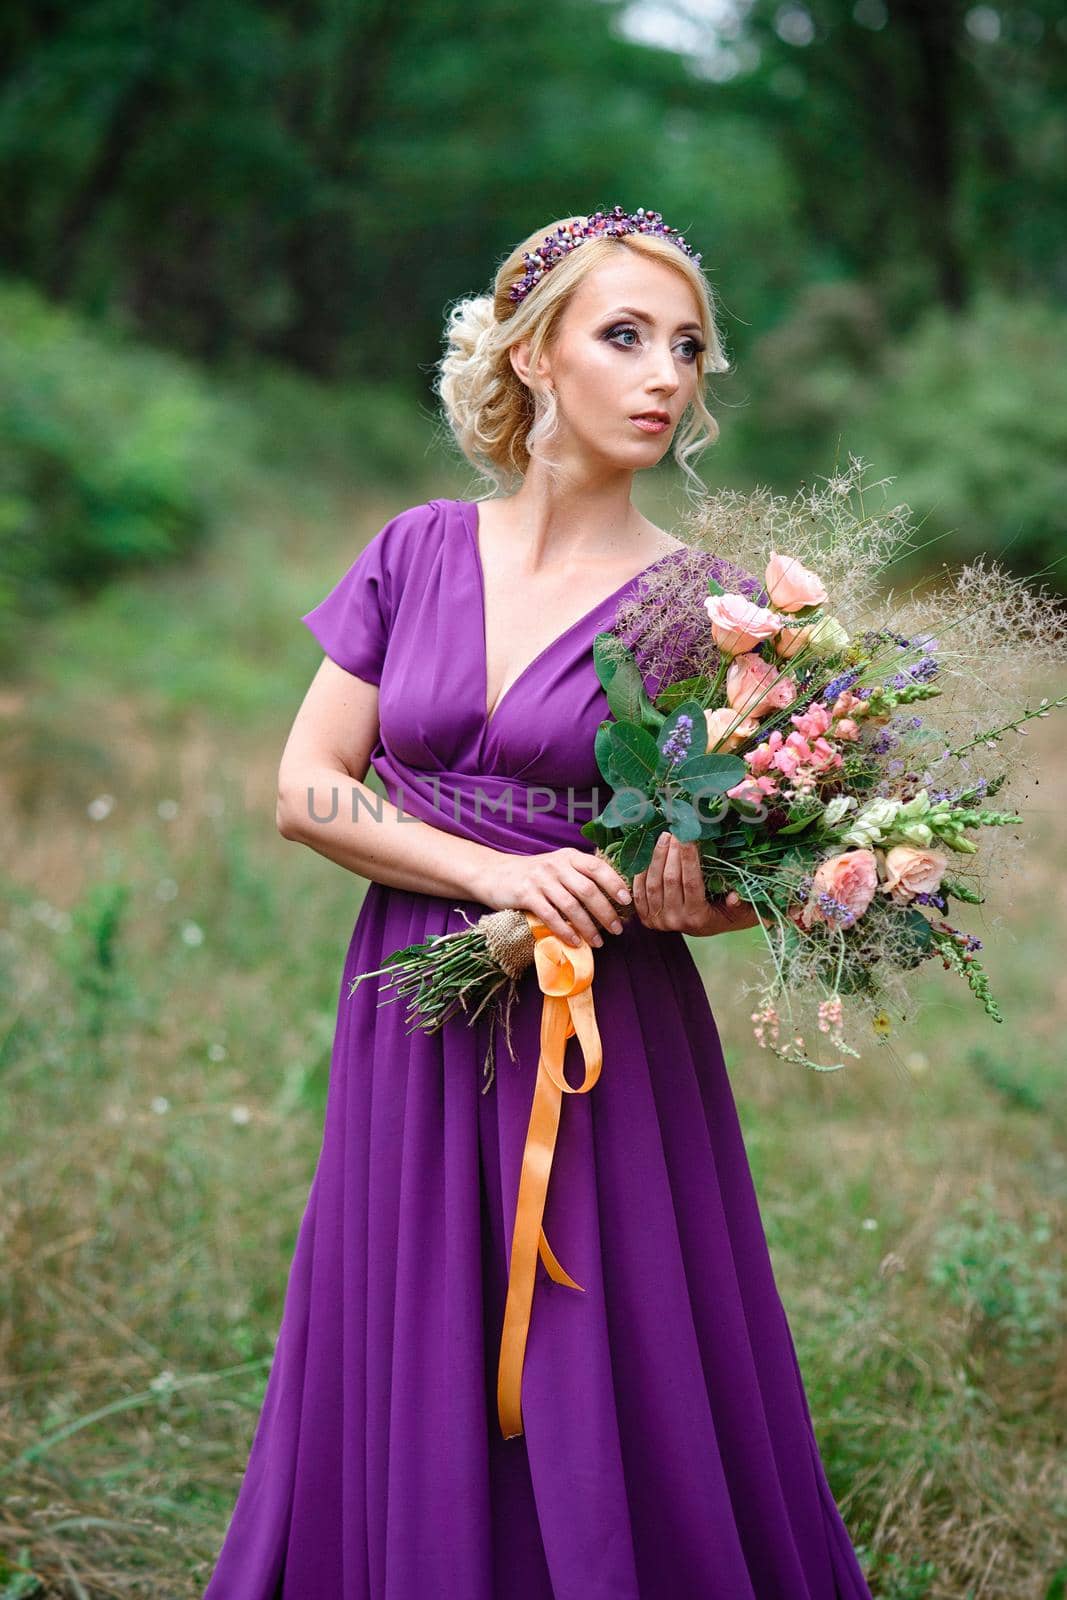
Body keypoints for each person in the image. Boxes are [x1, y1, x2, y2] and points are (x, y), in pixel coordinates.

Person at [202, 207, 875, 1598]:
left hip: (608, 1023)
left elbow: (767, 863)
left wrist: (709, 902)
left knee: (599, 1332)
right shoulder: (415, 550)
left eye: (687, 347)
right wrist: (494, 873)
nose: (665, 376)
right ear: (532, 356)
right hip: (414, 998)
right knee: (411, 1312)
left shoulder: (717, 614)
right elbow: (305, 787)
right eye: (623, 336)